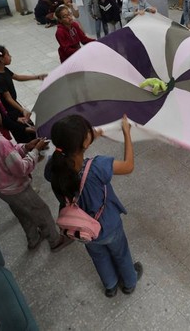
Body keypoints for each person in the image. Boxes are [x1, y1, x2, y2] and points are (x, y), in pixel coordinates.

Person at [48, 114, 143, 297]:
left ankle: (110, 285)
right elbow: (128, 166)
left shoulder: (54, 166)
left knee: (98, 256)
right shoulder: (97, 166)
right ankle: (130, 281)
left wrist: (90, 137)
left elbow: (67, 154)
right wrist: (127, 134)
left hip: (83, 230)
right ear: (85, 143)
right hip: (108, 225)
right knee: (121, 252)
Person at [0, 101, 71, 252]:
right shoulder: (1, 143)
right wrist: (35, 151)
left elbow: (8, 155)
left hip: (1, 189)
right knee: (41, 211)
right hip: (16, 189)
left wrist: (26, 146)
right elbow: (21, 168)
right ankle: (55, 241)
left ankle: (33, 239)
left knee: (22, 213)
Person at [0, 45, 46, 143]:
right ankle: (30, 151)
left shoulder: (4, 70)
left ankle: (37, 144)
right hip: (9, 112)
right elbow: (8, 98)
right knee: (23, 134)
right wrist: (23, 110)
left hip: (14, 107)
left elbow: (17, 77)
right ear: (1, 59)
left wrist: (37, 77)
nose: (11, 56)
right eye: (8, 54)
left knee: (31, 128)